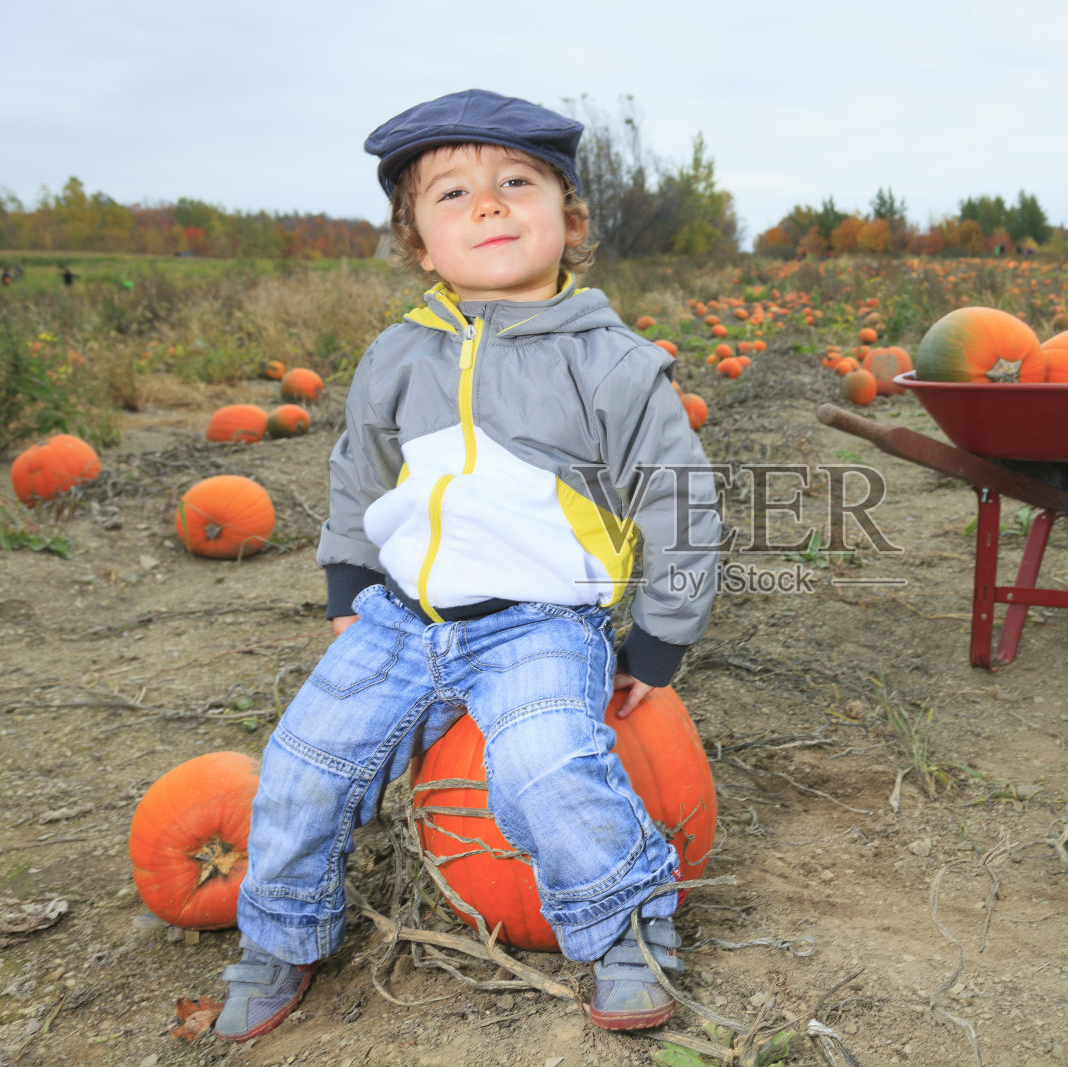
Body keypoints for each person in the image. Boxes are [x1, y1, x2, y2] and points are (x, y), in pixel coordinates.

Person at [214, 89, 721, 1043]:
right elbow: (358, 472)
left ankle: (625, 927)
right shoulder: (397, 355)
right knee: (301, 764)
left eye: (515, 183)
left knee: (545, 764)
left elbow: (683, 501)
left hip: (539, 620)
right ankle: (280, 933)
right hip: (405, 619)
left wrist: (661, 637)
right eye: (452, 193)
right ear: (419, 245)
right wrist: (349, 584)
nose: (486, 205)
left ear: (569, 221)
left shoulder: (611, 363)